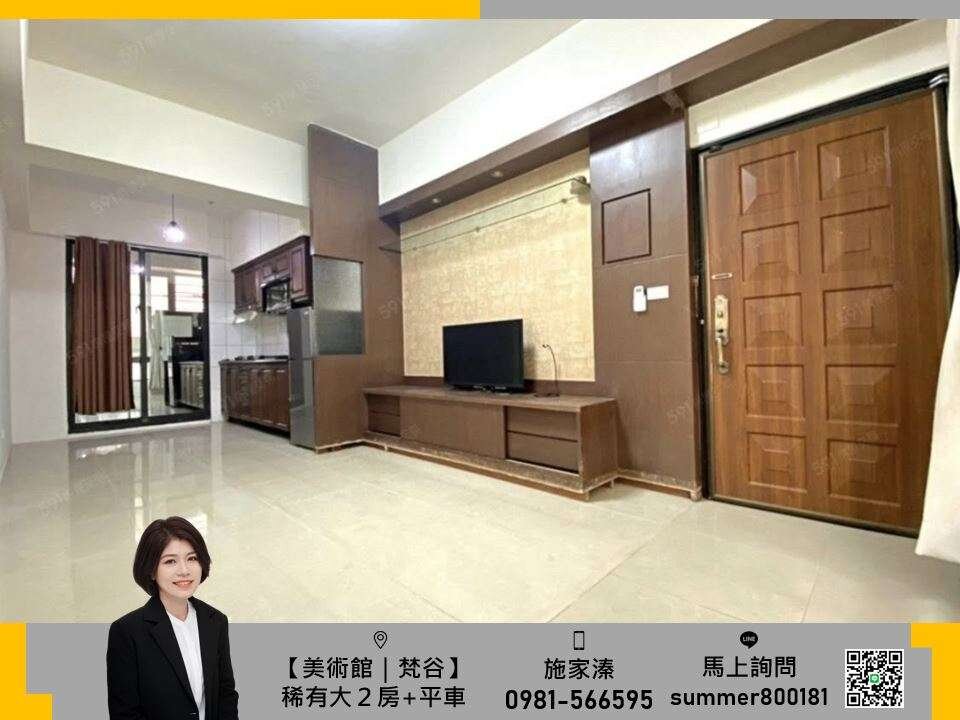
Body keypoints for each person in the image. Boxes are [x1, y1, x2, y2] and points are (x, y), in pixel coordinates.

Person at [107, 516, 239, 720]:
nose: (184, 571)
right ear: (151, 570)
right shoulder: (127, 632)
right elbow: (125, 714)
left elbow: (225, 694)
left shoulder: (216, 621)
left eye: (192, 558)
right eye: (170, 561)